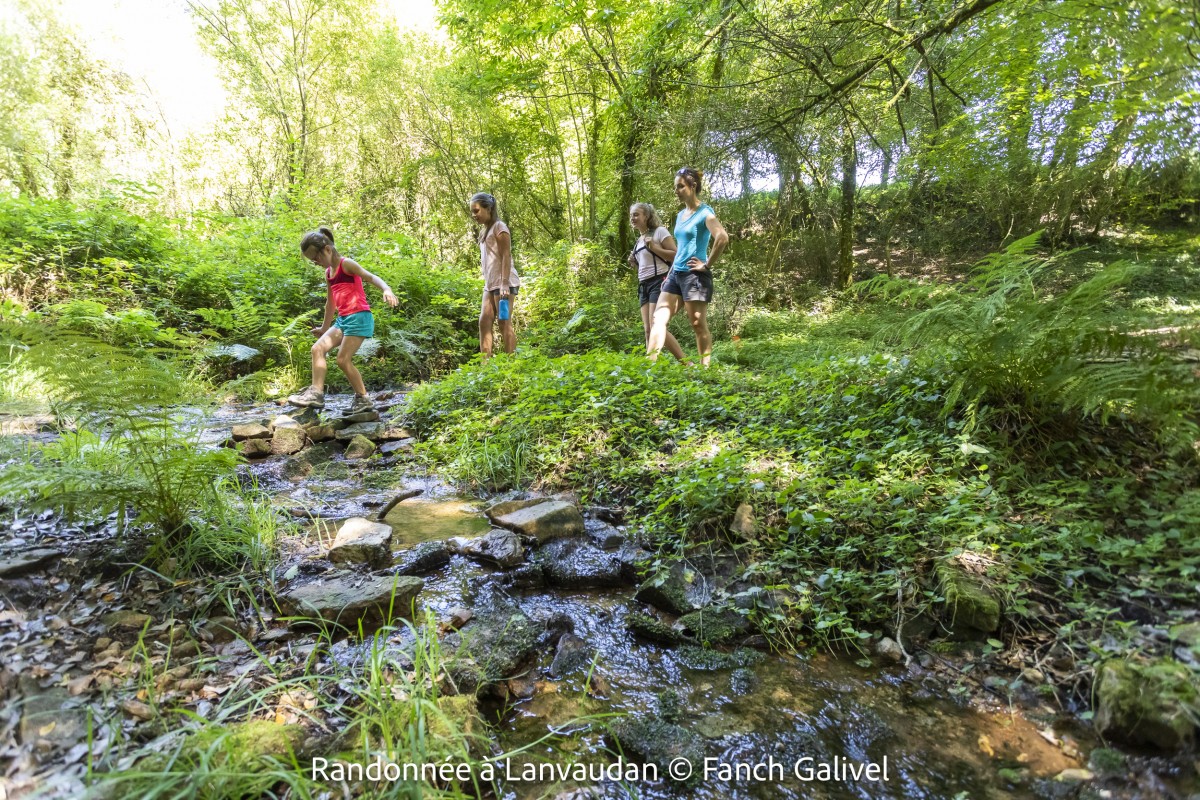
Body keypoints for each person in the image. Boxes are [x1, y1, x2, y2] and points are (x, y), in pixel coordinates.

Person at [287, 226, 398, 414]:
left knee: (342, 359)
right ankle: (316, 394)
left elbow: (370, 277)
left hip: (359, 317)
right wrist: (324, 328)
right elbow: (330, 303)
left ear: (328, 250)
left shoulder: (347, 264)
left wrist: (387, 289)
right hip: (343, 319)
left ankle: (363, 399)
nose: (316, 262)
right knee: (317, 349)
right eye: (313, 261)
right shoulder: (328, 273)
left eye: (317, 258)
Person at [646, 168, 729, 367]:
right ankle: (647, 367)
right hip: (676, 273)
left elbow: (722, 238)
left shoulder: (705, 213)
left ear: (693, 187)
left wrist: (707, 264)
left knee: (698, 324)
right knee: (658, 319)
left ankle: (704, 369)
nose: (677, 191)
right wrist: (671, 272)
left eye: (680, 186)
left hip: (694, 275)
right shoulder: (681, 215)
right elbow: (681, 247)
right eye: (675, 187)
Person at [628, 202, 688, 362]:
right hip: (643, 285)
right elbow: (646, 265)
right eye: (631, 215)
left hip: (659, 282)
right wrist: (634, 262)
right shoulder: (639, 241)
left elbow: (676, 255)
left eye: (636, 214)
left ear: (646, 216)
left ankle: (685, 362)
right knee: (648, 330)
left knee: (657, 325)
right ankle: (651, 365)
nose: (632, 218)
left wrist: (654, 248)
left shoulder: (659, 232)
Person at [470, 192, 520, 359]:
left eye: (476, 211)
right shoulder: (486, 230)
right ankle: (485, 366)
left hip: (504, 283)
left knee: (504, 321)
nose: (473, 215)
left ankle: (511, 363)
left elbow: (507, 255)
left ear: (488, 208)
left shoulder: (500, 227)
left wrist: (504, 284)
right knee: (484, 321)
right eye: (472, 211)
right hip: (490, 284)